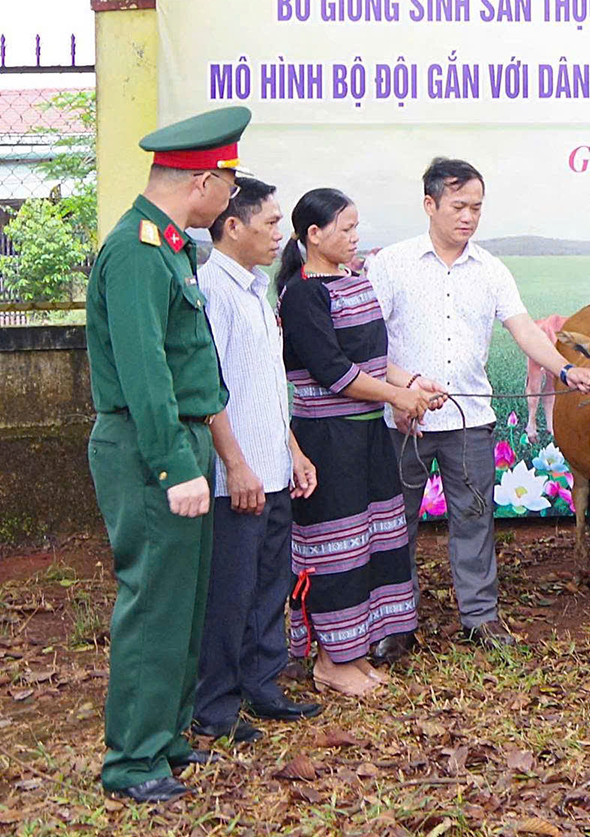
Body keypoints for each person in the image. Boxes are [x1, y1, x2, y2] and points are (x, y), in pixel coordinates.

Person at [86, 106, 256, 803]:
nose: (229, 202)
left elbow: (189, 365)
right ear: (200, 183)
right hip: (148, 443)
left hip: (179, 438)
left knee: (184, 602)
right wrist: (175, 464)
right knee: (154, 601)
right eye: (228, 187)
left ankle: (168, 737)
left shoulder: (170, 247)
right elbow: (144, 369)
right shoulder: (134, 250)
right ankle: (132, 760)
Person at [367, 158, 590, 657]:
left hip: (469, 421)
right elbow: (368, 342)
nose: (468, 217)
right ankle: (395, 622)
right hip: (404, 417)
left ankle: (479, 617)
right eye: (457, 206)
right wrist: (404, 386)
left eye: (476, 207)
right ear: (430, 205)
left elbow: (525, 330)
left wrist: (564, 369)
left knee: (473, 516)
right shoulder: (391, 264)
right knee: (395, 520)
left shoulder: (491, 269)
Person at [278, 188, 443, 695]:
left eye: (356, 227)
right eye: (345, 230)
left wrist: (410, 385)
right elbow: (336, 373)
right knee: (335, 549)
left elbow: (372, 359)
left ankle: (356, 647)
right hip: (328, 441)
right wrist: (396, 395)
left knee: (372, 542)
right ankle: (330, 659)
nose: (355, 238)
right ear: (314, 235)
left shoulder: (355, 280)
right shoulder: (303, 294)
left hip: (368, 435)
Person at [192, 176, 321, 744]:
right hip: (234, 477)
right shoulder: (209, 292)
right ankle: (216, 708)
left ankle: (262, 687)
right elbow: (207, 390)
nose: (279, 234)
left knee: (271, 584)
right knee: (230, 592)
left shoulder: (256, 287)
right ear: (233, 226)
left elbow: (268, 387)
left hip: (270, 468)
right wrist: (236, 465)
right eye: (269, 223)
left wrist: (291, 451)